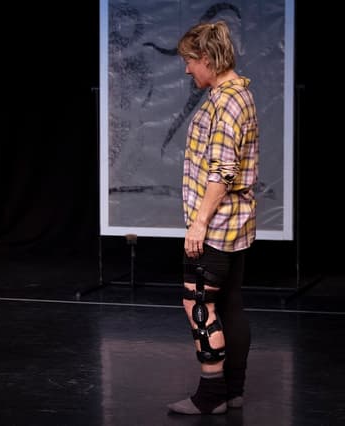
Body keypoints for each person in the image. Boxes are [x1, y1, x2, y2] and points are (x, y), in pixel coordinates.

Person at [167, 21, 258, 415]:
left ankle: (211, 395)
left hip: (217, 225)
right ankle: (232, 391)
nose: (187, 69)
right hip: (237, 222)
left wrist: (199, 223)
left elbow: (222, 171)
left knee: (198, 303)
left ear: (207, 58)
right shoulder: (240, 95)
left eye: (190, 61)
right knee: (230, 302)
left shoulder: (226, 102)